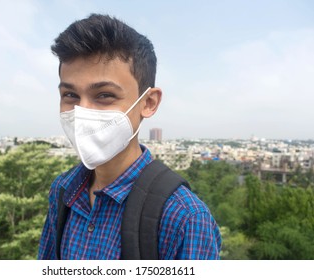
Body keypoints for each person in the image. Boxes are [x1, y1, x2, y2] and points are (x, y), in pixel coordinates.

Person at [38, 13, 221, 260]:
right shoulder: (63, 190)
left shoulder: (184, 218)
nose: (82, 112)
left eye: (104, 95)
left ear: (148, 102)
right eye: (70, 95)